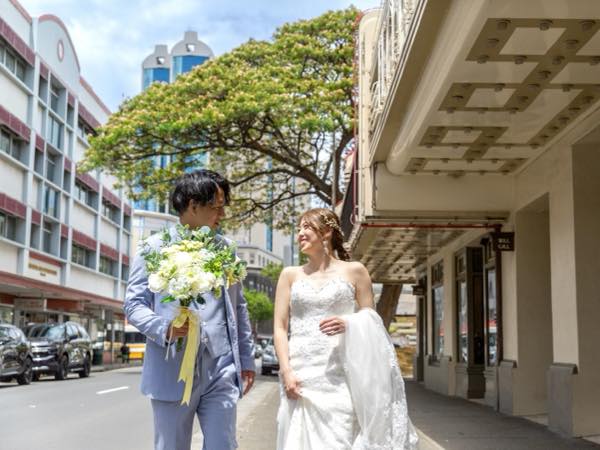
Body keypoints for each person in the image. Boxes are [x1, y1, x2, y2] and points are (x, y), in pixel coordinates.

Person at [124, 169, 255, 450]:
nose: (222, 215)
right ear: (193, 205)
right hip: (172, 368)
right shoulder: (153, 248)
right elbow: (133, 304)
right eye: (216, 207)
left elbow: (238, 308)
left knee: (223, 445)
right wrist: (164, 328)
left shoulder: (226, 249)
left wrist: (246, 359)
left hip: (220, 367)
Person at [274, 208, 418, 449]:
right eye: (299, 229)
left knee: (340, 438)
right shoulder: (290, 275)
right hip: (300, 371)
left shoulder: (356, 271)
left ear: (326, 232)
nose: (300, 234)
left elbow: (372, 320)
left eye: (306, 227)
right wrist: (286, 370)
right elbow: (280, 327)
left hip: (339, 372)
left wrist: (350, 323)